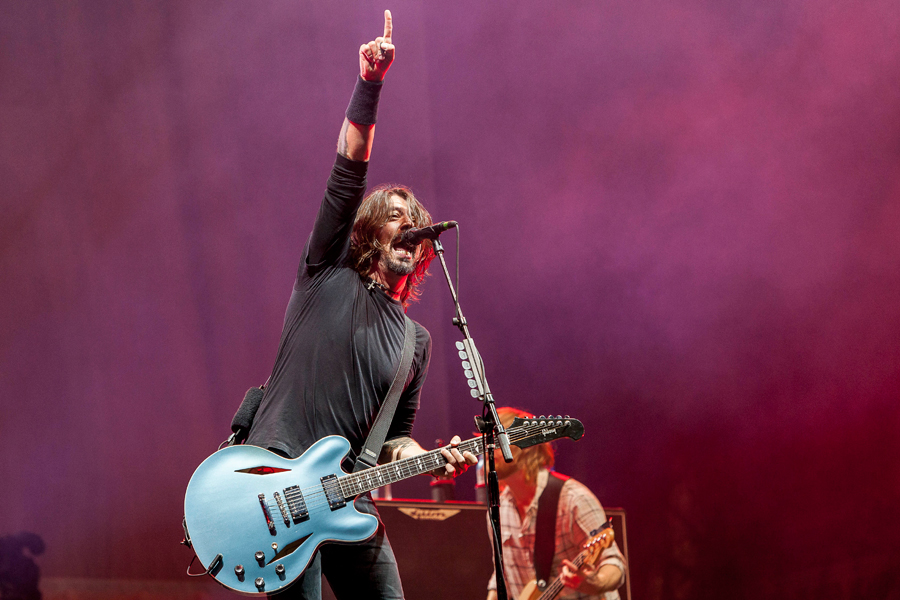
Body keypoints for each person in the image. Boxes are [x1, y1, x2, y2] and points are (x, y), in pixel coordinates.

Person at [244, 11, 477, 599]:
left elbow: (394, 438)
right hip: (278, 478)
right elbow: (349, 168)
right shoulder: (326, 271)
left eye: (415, 222)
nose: (409, 226)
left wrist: (427, 456)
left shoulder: (415, 342)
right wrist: (370, 83)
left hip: (348, 496)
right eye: (395, 216)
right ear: (371, 231)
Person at [486, 407, 626, 600]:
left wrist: (594, 582)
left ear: (527, 445)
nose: (488, 450)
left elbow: (614, 563)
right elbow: (501, 575)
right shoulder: (499, 509)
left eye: (498, 442)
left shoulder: (573, 499)